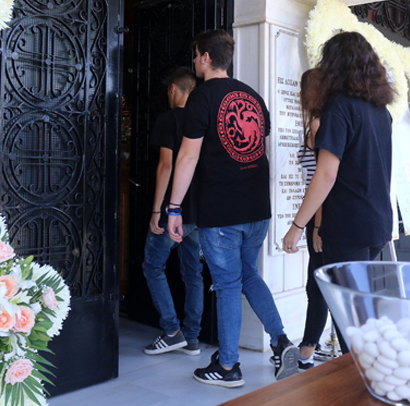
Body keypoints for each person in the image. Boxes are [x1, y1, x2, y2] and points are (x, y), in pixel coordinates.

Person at [167, 29, 299, 388]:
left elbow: (188, 156)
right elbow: (262, 152)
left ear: (206, 58)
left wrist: (174, 207)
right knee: (248, 274)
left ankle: (227, 366)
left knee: (227, 284)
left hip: (222, 210)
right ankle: (281, 341)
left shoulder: (201, 97)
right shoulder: (253, 96)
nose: (195, 61)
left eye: (196, 54)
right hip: (257, 208)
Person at [281, 31, 395, 356]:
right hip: (377, 225)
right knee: (358, 315)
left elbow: (326, 174)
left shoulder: (338, 107)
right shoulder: (380, 111)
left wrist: (297, 226)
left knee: (349, 323)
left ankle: (357, 382)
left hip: (348, 227)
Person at [142, 68, 203, 356]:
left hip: (174, 210)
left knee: (153, 266)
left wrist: (158, 210)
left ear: (174, 89)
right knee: (193, 273)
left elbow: (166, 166)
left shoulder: (168, 120)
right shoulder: (202, 120)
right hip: (199, 212)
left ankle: (171, 331)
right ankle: (192, 337)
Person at [295, 68, 339, 369]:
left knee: (317, 284)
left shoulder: (318, 124)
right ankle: (310, 346)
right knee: (319, 283)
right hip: (319, 214)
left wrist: (317, 226)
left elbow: (322, 181)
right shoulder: (323, 123)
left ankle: (307, 349)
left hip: (320, 216)